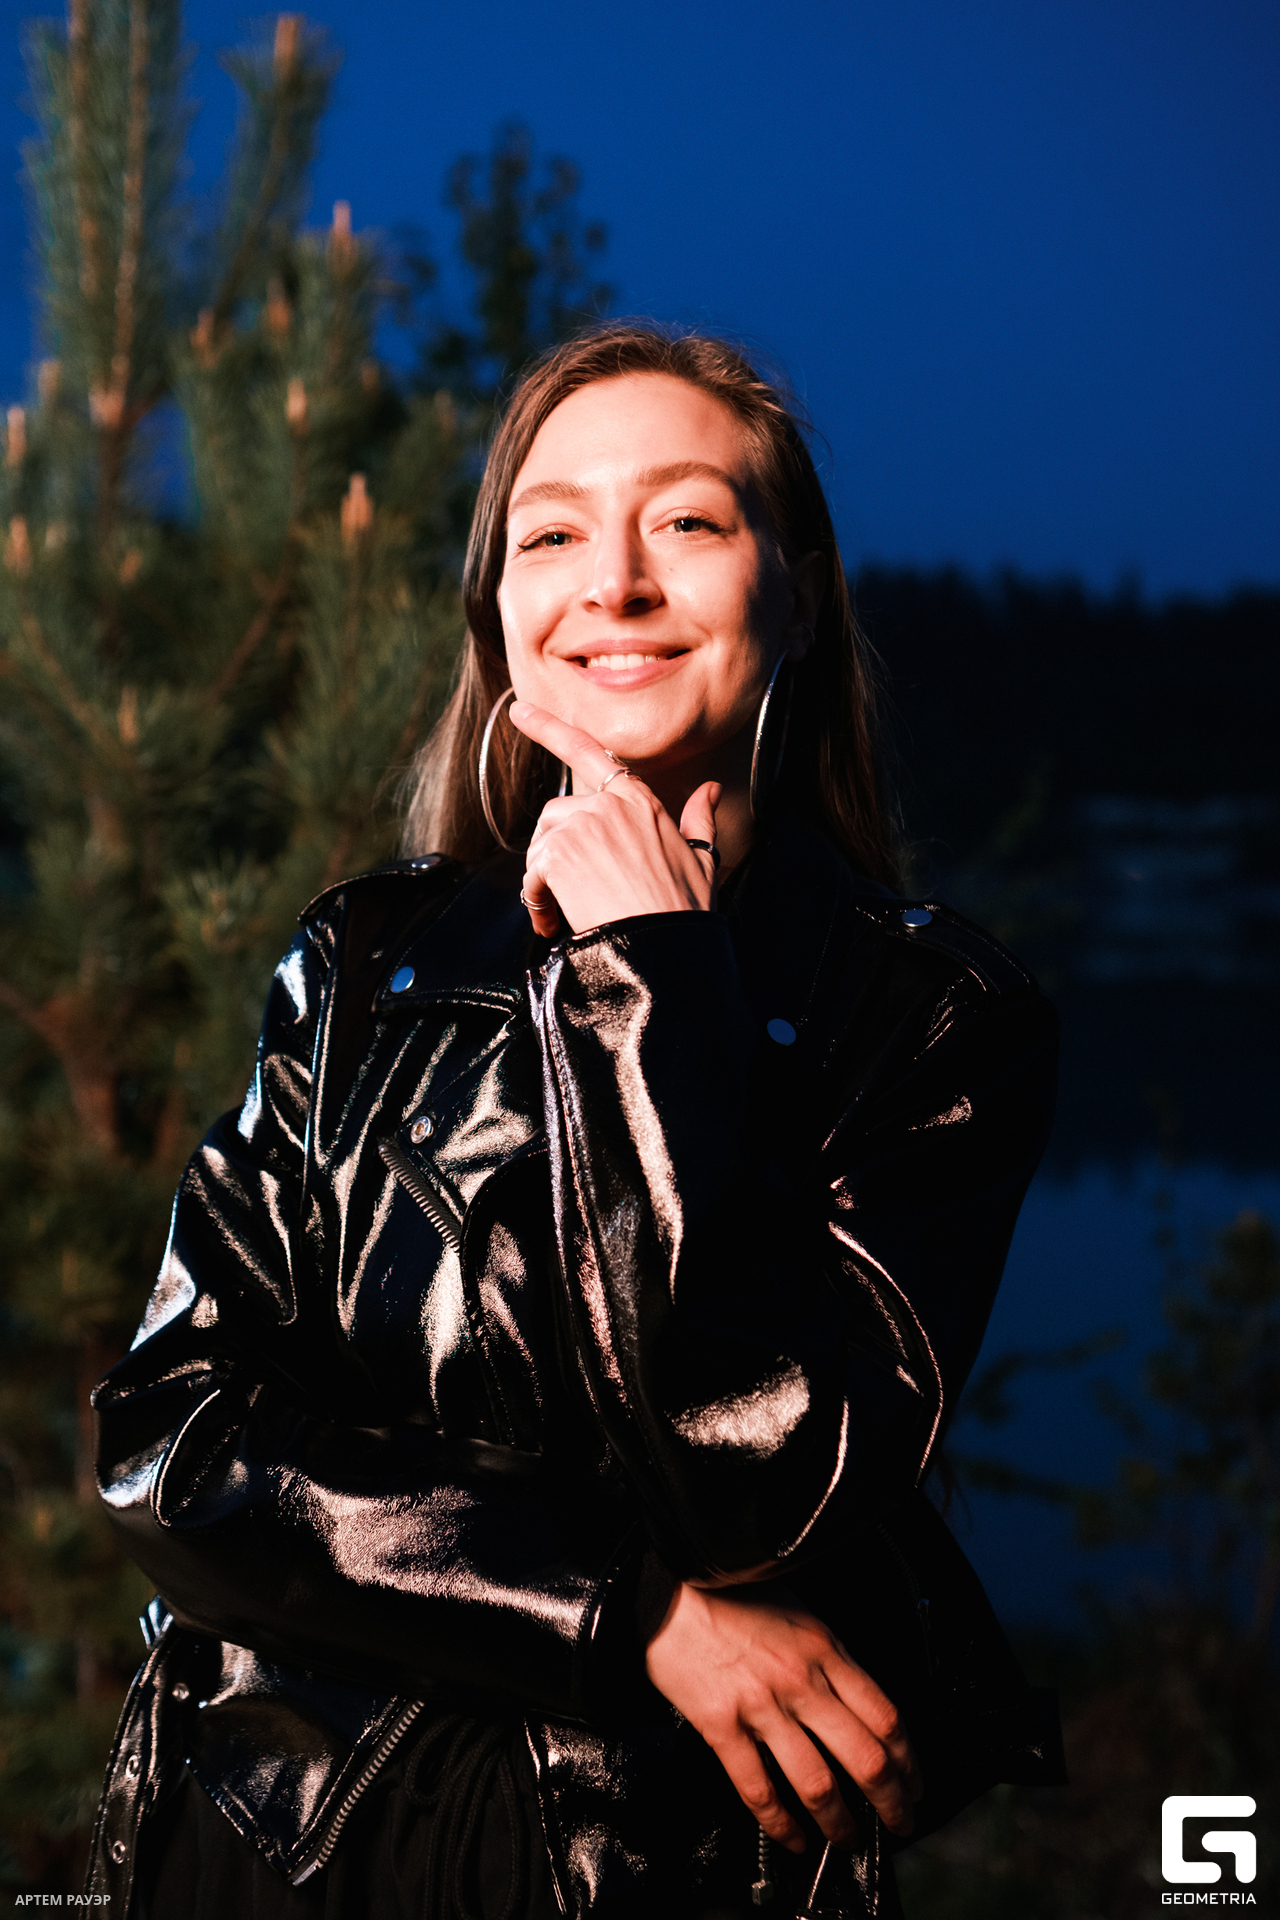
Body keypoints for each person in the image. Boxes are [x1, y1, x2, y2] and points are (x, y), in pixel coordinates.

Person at [86, 323, 1063, 1920]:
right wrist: (633, 1618)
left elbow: (752, 1489)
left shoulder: (933, 1016)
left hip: (662, 1871)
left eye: (687, 520)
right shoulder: (362, 961)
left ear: (800, 594)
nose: (612, 584)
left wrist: (648, 975)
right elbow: (170, 1442)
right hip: (270, 1851)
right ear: (498, 610)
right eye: (551, 536)